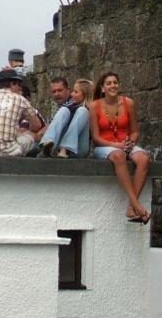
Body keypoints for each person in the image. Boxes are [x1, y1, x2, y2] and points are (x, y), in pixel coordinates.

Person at [88, 71, 153, 223]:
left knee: (144, 158)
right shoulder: (94, 106)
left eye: (115, 82)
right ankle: (137, 205)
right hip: (105, 145)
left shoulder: (128, 103)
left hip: (126, 143)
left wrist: (130, 142)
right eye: (109, 83)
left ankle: (131, 207)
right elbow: (96, 138)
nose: (113, 86)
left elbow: (135, 131)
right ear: (103, 88)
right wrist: (116, 145)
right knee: (118, 156)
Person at [0, 69, 44, 156]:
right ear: (12, 84)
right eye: (18, 84)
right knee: (31, 135)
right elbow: (36, 125)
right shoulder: (20, 99)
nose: (20, 88)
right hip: (8, 151)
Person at [39, 77, 92, 158]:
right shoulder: (61, 107)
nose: (72, 94)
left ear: (84, 94)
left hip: (79, 148)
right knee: (64, 110)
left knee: (82, 110)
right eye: (53, 91)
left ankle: (65, 148)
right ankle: (47, 144)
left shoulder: (91, 108)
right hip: (59, 148)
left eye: (75, 92)